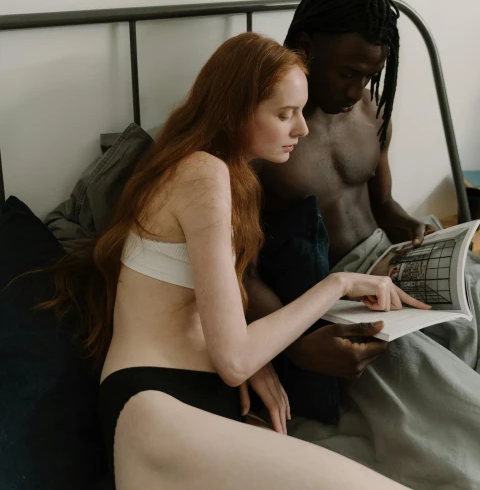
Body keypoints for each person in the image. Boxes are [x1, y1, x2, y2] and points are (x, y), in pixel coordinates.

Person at [41, 32, 426, 490]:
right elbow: (235, 360)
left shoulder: (216, 174)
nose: (301, 129)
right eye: (285, 114)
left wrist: (249, 356)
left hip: (189, 398)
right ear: (236, 110)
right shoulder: (203, 174)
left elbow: (211, 324)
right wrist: (337, 285)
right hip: (157, 404)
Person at [246, 0, 480, 490]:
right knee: (475, 419)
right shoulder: (261, 132)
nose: (357, 91)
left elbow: (384, 206)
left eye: (370, 75)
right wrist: (300, 346)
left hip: (402, 262)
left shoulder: (371, 109)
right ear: (305, 47)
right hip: (337, 294)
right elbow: (241, 272)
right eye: (347, 73)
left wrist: (416, 230)